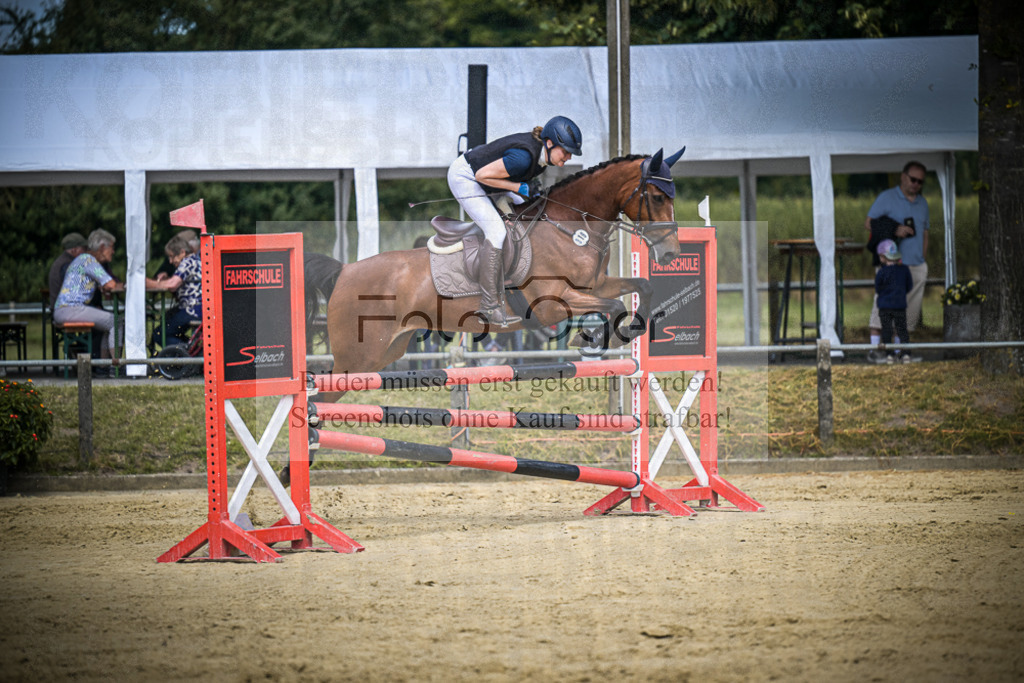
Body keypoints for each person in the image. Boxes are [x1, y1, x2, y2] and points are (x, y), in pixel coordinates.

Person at [448, 115, 583, 327]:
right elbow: (483, 176)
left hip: (488, 180)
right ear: (549, 143)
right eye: (565, 151)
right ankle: (489, 305)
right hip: (466, 177)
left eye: (570, 154)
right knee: (496, 231)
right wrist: (516, 187)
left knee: (532, 211)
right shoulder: (523, 158)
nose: (568, 158)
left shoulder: (541, 159)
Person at [865, 161, 928, 362]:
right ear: (903, 176)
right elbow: (869, 224)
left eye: (920, 182)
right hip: (892, 265)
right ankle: (876, 350)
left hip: (916, 265)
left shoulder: (923, 203)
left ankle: (900, 351)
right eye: (913, 179)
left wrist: (922, 257)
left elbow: (926, 233)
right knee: (882, 307)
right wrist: (894, 229)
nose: (916, 184)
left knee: (908, 312)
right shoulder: (886, 197)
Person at [53, 229, 125, 370]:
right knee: (116, 322)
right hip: (70, 309)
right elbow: (110, 285)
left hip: (64, 310)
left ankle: (104, 368)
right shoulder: (89, 260)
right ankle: (117, 365)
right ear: (103, 247)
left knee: (109, 324)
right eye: (112, 247)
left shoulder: (83, 259)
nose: (114, 251)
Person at [145, 234, 202, 347]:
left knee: (160, 334)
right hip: (197, 308)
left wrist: (147, 282)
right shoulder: (195, 260)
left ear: (182, 252)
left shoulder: (187, 262)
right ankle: (191, 349)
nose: (170, 261)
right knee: (167, 324)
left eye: (172, 257)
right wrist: (165, 279)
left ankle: (189, 355)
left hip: (192, 309)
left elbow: (172, 285)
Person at [874, 239, 914, 364]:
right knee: (902, 329)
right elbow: (909, 286)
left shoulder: (881, 272)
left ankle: (889, 355)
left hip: (885, 306)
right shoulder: (904, 270)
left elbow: (878, 288)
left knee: (887, 330)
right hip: (900, 305)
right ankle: (906, 354)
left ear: (883, 257)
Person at [47, 232, 88, 309]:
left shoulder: (63, 262)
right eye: (83, 248)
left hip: (63, 309)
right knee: (112, 318)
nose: (86, 252)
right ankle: (117, 320)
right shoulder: (68, 265)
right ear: (74, 250)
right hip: (68, 310)